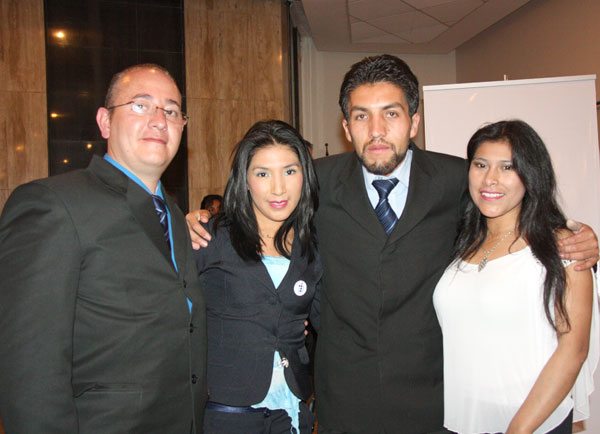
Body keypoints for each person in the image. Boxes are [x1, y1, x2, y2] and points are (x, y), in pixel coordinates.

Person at [187, 55, 599, 433]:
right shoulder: (314, 182)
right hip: (344, 403)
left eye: (391, 114)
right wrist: (199, 222)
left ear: (414, 121)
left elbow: (516, 211)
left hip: (436, 405)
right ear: (346, 127)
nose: (377, 131)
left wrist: (577, 236)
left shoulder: (459, 180)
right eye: (361, 116)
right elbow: (259, 205)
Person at [0, 64, 207, 434]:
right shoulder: (53, 204)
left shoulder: (175, 217)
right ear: (105, 122)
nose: (159, 120)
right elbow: (29, 368)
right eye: (141, 105)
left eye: (172, 111)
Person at [433, 120, 598, 434]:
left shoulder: (561, 246)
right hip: (461, 419)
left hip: (532, 423)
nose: (490, 179)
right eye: (481, 165)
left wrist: (518, 430)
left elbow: (574, 350)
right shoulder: (460, 241)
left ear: (531, 175)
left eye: (507, 167)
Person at [196, 120, 321, 434]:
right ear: (245, 180)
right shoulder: (211, 237)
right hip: (228, 413)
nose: (278, 188)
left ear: (305, 176)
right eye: (263, 174)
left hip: (291, 410)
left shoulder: (311, 246)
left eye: (289, 171)